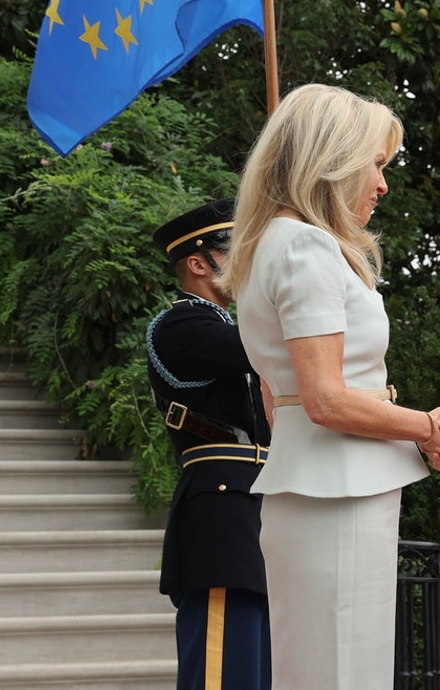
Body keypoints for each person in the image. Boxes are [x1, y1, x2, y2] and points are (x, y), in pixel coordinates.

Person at [220, 83, 440, 690]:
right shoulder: (304, 245)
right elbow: (326, 399)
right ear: (329, 159)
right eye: (376, 164)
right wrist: (427, 427)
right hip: (338, 495)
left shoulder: (268, 246)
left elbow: (280, 402)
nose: (382, 184)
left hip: (322, 488)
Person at [147, 199, 272, 690]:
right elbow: (262, 345)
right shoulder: (179, 326)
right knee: (224, 670)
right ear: (198, 263)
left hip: (252, 506)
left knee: (256, 666)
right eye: (235, 250)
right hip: (222, 513)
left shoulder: (225, 325)